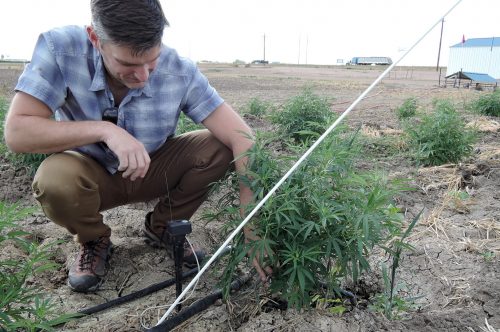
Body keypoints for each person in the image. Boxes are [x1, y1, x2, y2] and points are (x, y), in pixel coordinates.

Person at [4, 0, 272, 293]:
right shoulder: (61, 49)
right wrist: (105, 130)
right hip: (89, 176)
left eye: (151, 61)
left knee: (218, 148)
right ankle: (94, 239)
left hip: (151, 170)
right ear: (96, 38)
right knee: (54, 180)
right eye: (128, 64)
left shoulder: (179, 69)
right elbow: (18, 133)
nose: (143, 76)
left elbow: (243, 138)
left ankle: (163, 228)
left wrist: (252, 225)